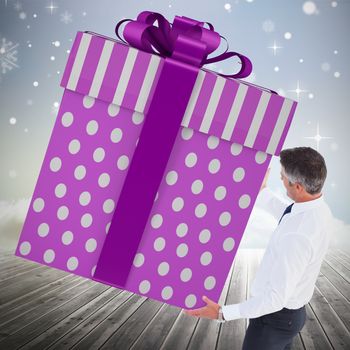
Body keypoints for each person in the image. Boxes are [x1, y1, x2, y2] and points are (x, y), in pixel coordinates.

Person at [184, 146, 333, 350]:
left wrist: (222, 313)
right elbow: (288, 215)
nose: (280, 180)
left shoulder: (297, 237)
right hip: (288, 317)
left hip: (273, 320)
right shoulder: (317, 209)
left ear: (297, 186)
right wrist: (262, 191)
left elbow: (274, 299)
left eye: (282, 177)